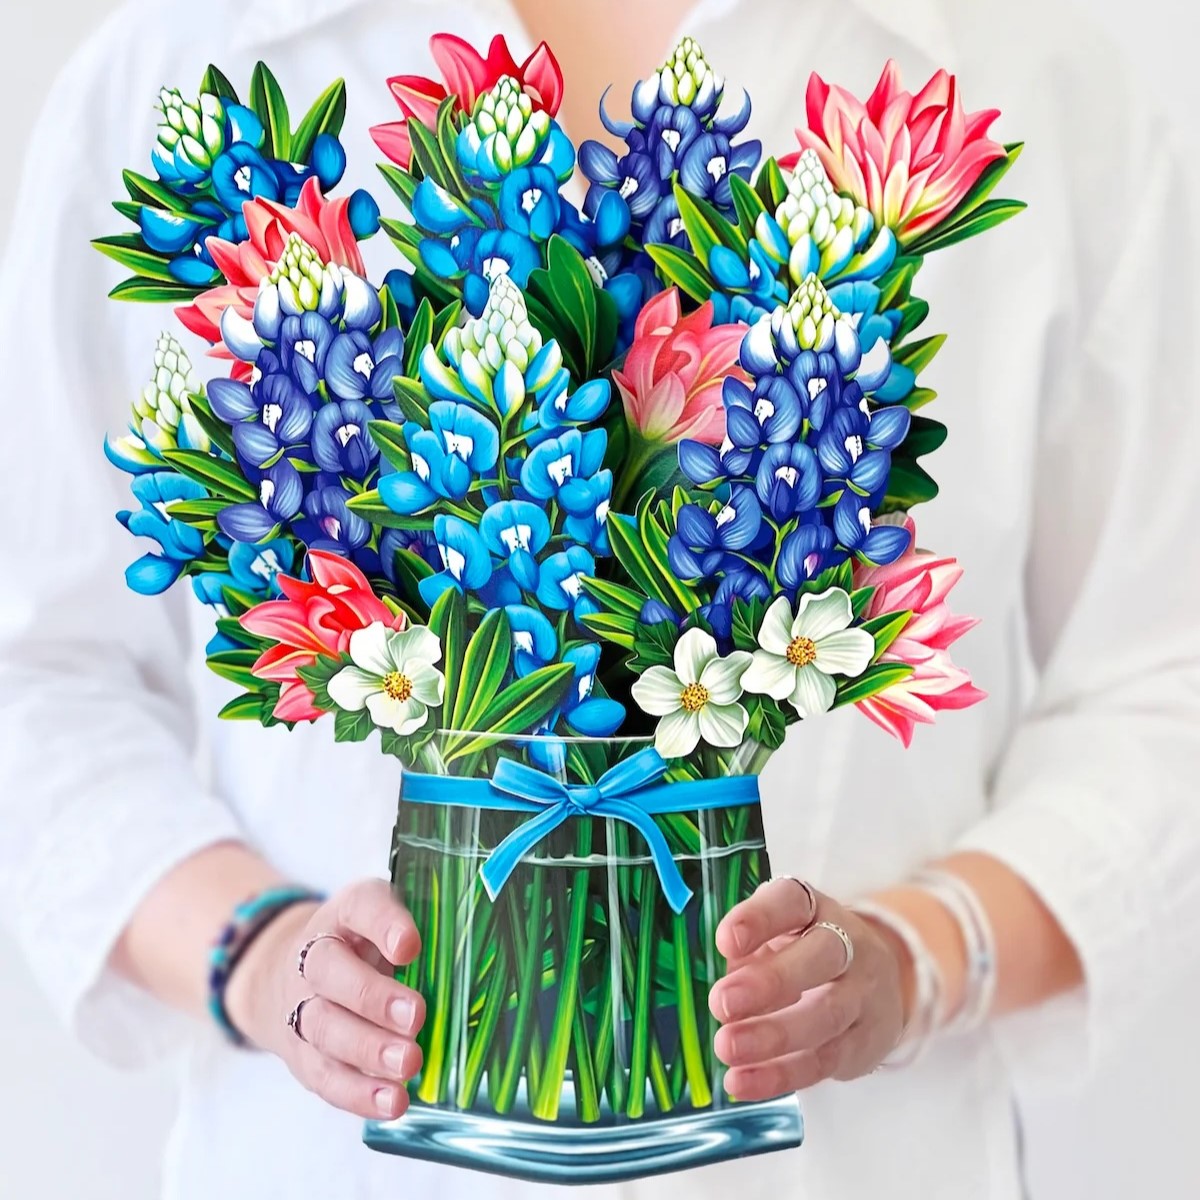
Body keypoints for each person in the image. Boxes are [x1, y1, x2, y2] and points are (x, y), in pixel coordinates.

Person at [1, 0, 1198, 1197]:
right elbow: (40, 675)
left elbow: (1162, 685)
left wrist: (920, 956)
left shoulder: (1038, 74)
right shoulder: (172, 58)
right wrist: (256, 957)